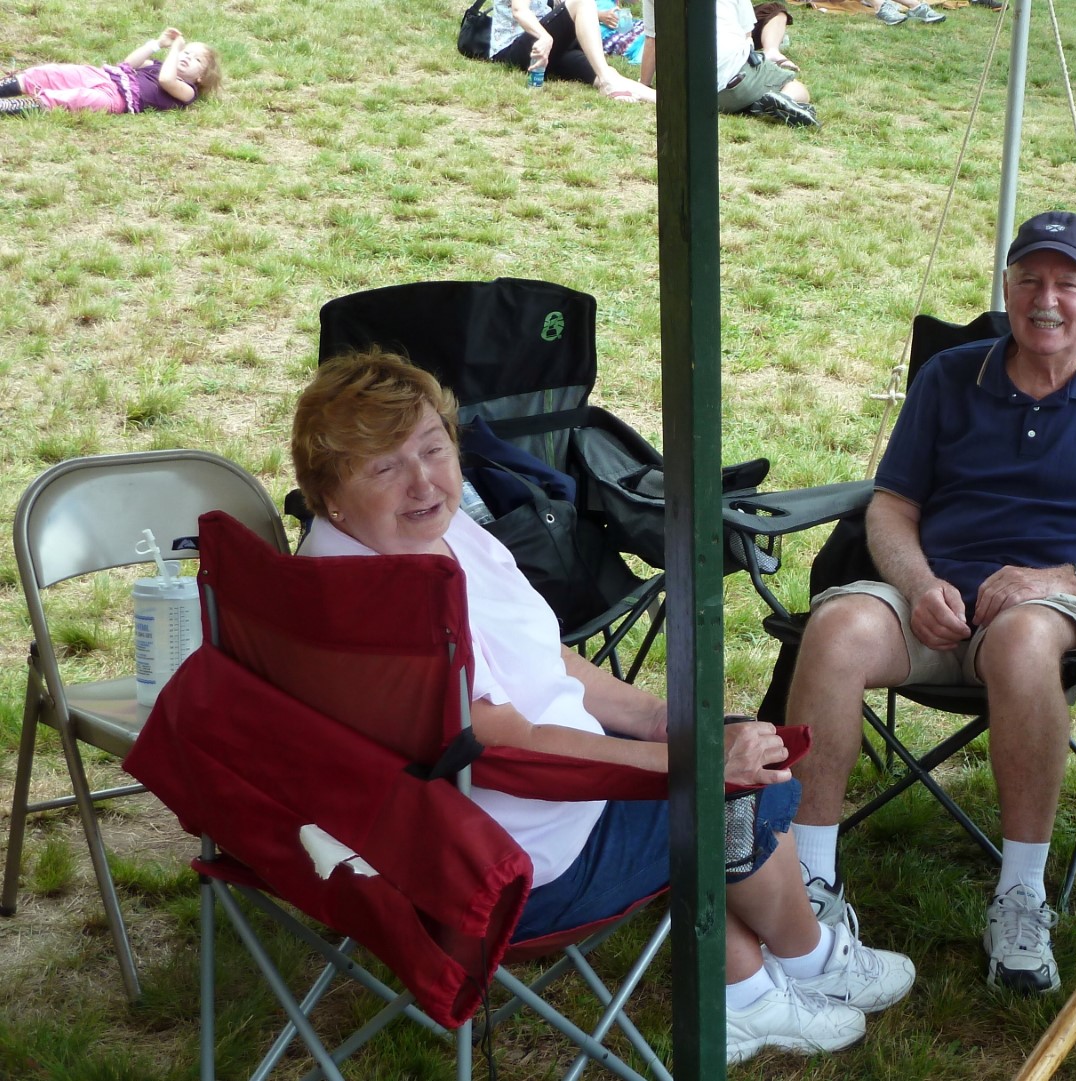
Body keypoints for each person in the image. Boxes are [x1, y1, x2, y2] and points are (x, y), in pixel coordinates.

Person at [288, 352, 915, 1065]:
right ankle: (810, 961)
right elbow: (504, 745)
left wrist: (655, 719)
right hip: (510, 865)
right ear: (330, 494)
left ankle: (746, 990)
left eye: (433, 448)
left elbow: (544, 655)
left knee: (731, 753)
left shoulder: (401, 540)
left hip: (471, 826)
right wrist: (688, 763)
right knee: (746, 788)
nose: (424, 480)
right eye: (385, 467)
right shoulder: (391, 602)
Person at [780, 210, 1076, 995]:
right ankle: (808, 893)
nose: (1047, 299)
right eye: (1029, 280)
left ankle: (1020, 895)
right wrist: (915, 584)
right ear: (1006, 287)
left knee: (1020, 640)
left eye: (1067, 283)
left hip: (1058, 604)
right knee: (836, 627)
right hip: (933, 599)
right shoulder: (951, 377)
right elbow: (890, 506)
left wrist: (1062, 578)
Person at [639, 0, 818, 126]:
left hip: (685, 94)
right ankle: (778, 100)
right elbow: (747, 34)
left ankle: (758, 104)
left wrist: (644, 84)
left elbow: (652, 40)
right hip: (733, 82)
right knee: (798, 88)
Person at [0, 27, 218, 116]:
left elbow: (166, 80)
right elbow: (129, 63)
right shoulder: (158, 64)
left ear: (201, 77)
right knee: (52, 73)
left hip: (116, 98)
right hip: (106, 75)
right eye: (186, 53)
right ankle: (7, 87)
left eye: (196, 59)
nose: (187, 57)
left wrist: (177, 50)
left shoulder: (188, 91)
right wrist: (158, 44)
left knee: (76, 98)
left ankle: (13, 106)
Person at [488, 0, 654, 102]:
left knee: (606, 74)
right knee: (583, 1)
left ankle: (663, 100)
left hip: (548, 50)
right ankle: (608, 82)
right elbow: (519, 11)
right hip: (513, 49)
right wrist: (545, 37)